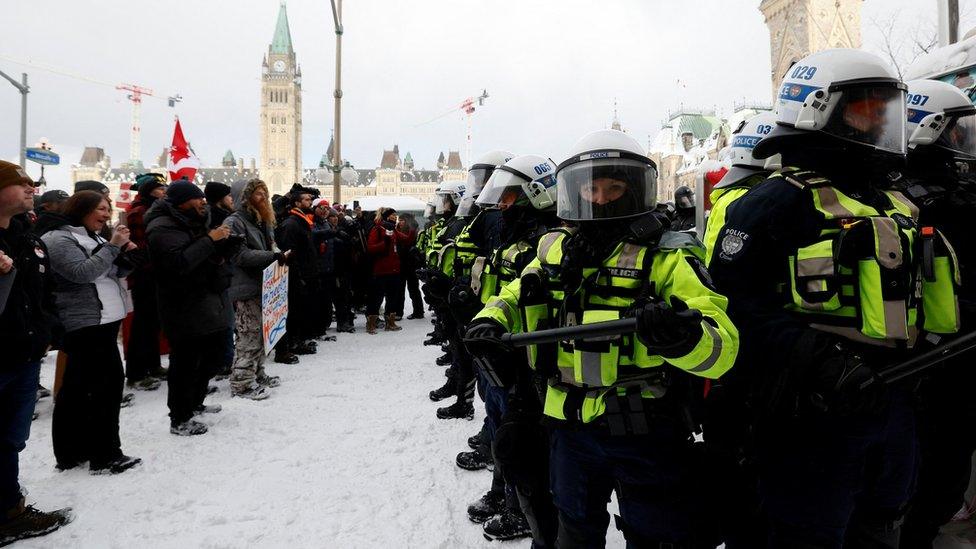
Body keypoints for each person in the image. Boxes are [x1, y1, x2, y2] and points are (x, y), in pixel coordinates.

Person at [708, 49, 960, 548]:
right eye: (867, 107)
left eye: (887, 107)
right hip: (813, 415)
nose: (883, 119)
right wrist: (819, 360)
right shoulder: (774, 202)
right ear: (816, 108)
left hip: (896, 403)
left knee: (884, 524)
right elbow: (733, 309)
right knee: (811, 532)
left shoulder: (894, 201)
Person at [465, 129, 738, 547]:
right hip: (568, 426)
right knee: (572, 529)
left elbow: (722, 346)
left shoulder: (667, 256)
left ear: (637, 190)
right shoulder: (553, 249)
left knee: (656, 534)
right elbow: (513, 295)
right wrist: (489, 322)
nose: (601, 198)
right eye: (591, 188)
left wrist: (681, 336)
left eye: (614, 188)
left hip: (645, 427)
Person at [463, 154, 564, 543]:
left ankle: (518, 508)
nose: (502, 207)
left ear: (535, 195)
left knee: (523, 444)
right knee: (504, 428)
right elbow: (506, 291)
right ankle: (504, 496)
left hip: (532, 359)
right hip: (506, 348)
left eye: (508, 199)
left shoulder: (548, 241)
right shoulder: (517, 235)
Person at [893, 79, 976, 548]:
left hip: (954, 363)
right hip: (930, 365)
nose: (966, 144)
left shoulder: (955, 193)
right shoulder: (909, 203)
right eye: (959, 132)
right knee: (929, 482)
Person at [42, 190, 141, 474]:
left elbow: (111, 272)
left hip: (104, 320)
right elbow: (81, 273)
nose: (106, 214)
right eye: (100, 208)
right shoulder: (58, 238)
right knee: (106, 388)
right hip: (85, 323)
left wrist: (126, 254)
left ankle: (71, 453)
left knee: (77, 388)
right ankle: (105, 455)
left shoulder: (93, 237)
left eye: (108, 208)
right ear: (81, 208)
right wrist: (112, 247)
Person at [0, 160, 73, 545]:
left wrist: (46, 331)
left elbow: (41, 293)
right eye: (21, 183)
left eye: (32, 183)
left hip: (24, 353)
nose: (32, 188)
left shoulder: (27, 237)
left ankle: (9, 510)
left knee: (11, 439)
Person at [146, 180, 233, 436]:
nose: (203, 204)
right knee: (185, 363)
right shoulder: (161, 227)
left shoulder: (194, 221)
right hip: (182, 304)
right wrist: (210, 239)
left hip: (206, 299)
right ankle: (180, 416)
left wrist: (224, 245)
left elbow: (203, 254)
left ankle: (196, 401)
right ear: (182, 201)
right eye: (199, 200)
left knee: (213, 355)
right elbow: (180, 263)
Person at [224, 178, 288, 400]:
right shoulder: (235, 222)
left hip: (266, 286)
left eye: (265, 193)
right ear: (246, 197)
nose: (264, 198)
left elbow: (270, 246)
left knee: (263, 333)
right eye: (259, 194)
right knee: (249, 334)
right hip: (246, 286)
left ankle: (257, 373)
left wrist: (278, 253)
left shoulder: (262, 220)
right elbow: (239, 255)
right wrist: (272, 256)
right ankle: (241, 381)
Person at [122, 173, 168, 391]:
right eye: (160, 188)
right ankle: (136, 373)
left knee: (153, 324)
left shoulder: (151, 209)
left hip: (155, 274)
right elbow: (143, 245)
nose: (164, 191)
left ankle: (153, 365)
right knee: (143, 325)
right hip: (144, 276)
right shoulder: (140, 212)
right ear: (150, 191)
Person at [274, 188, 320, 357]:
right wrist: (298, 275)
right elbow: (289, 253)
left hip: (306, 274)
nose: (310, 202)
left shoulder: (303, 221)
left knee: (302, 310)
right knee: (295, 310)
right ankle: (292, 342)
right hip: (297, 276)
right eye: (307, 199)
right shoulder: (291, 223)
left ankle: (299, 339)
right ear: (297, 203)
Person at [365, 207, 409, 334]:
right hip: (380, 270)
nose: (395, 217)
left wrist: (412, 228)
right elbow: (371, 248)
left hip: (394, 269)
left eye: (396, 215)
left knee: (392, 297)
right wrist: (385, 243)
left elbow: (405, 239)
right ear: (386, 216)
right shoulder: (378, 229)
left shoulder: (392, 230)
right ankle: (371, 323)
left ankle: (390, 322)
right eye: (393, 215)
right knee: (376, 298)